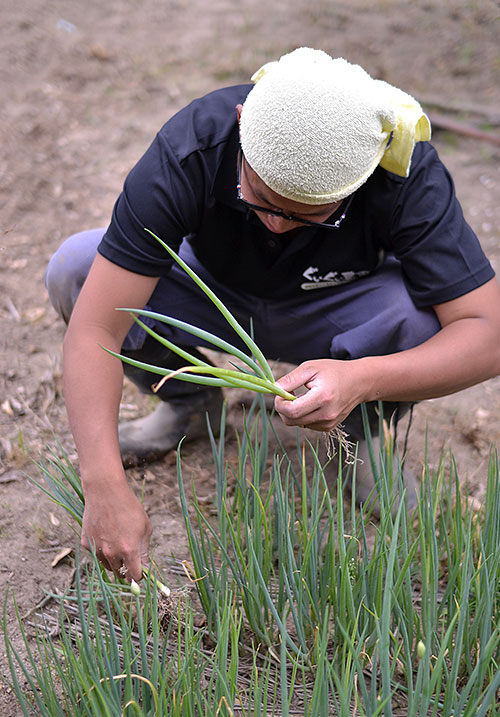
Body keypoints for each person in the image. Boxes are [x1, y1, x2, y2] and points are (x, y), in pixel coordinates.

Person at [45, 48, 500, 582]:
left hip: (333, 309)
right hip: (213, 293)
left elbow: (487, 334)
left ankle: (359, 438)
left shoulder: (404, 172)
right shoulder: (195, 144)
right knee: (76, 269)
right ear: (243, 123)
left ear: (363, 176)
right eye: (260, 197)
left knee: (424, 317)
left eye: (308, 214)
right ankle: (188, 404)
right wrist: (102, 482)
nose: (277, 226)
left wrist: (362, 378)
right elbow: (97, 328)